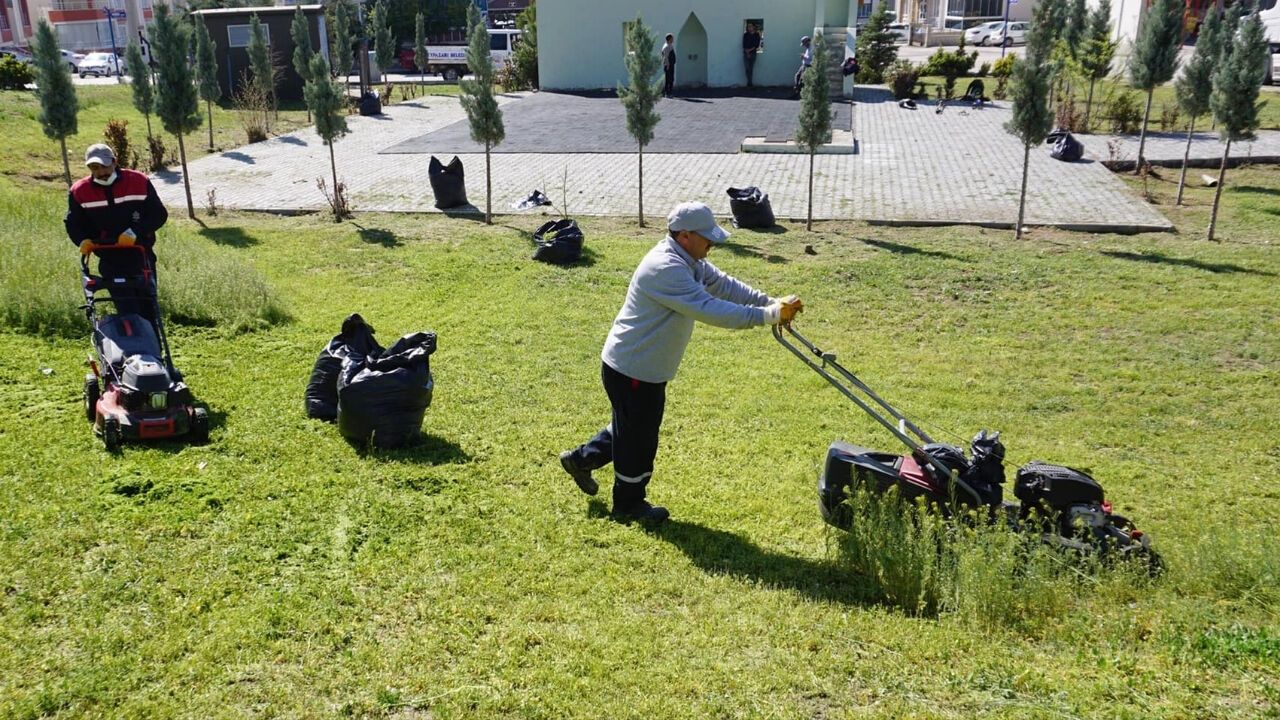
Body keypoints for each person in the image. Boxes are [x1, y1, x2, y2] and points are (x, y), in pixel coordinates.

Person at [558, 202, 804, 524]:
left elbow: (725, 286)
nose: (712, 243)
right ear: (685, 235)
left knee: (632, 427)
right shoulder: (666, 267)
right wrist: (768, 316)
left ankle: (579, 460)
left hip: (643, 366)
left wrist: (769, 302)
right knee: (640, 437)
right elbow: (709, 308)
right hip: (633, 367)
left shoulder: (690, 259)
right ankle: (628, 506)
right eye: (707, 238)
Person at [65, 143, 169, 323]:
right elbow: (73, 223)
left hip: (141, 256)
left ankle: (153, 349)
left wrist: (135, 232)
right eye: (95, 167)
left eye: (105, 166)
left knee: (148, 310)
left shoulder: (138, 181)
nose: (101, 171)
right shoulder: (79, 191)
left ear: (114, 162)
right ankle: (133, 347)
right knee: (127, 310)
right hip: (109, 259)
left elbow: (158, 214)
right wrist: (82, 240)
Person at [742, 23, 762, 88]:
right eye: (748, 27)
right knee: (747, 68)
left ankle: (750, 83)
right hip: (746, 53)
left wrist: (749, 50)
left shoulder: (756, 35)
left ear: (753, 27)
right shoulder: (746, 35)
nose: (749, 28)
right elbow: (744, 44)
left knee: (751, 68)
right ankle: (749, 82)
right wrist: (747, 52)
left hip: (753, 53)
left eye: (750, 26)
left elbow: (756, 45)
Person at [660, 33, 677, 98]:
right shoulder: (666, 46)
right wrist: (667, 65)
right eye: (672, 38)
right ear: (669, 39)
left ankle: (670, 92)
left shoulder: (670, 45)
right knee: (668, 79)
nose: (673, 39)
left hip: (671, 65)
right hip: (668, 66)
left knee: (671, 79)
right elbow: (666, 57)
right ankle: (667, 93)